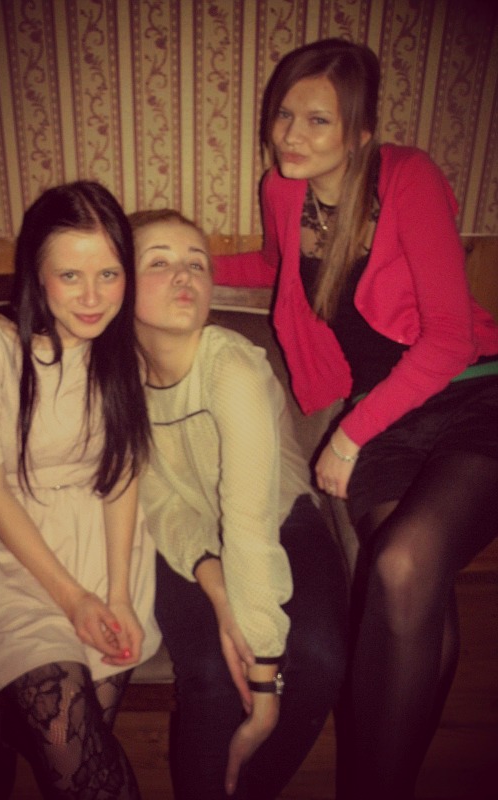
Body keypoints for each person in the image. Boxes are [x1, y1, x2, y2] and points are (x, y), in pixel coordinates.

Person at [213, 38, 498, 799]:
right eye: (284, 115)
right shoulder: (284, 192)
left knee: (403, 564)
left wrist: (347, 435)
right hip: (385, 421)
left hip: (472, 396)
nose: (292, 135)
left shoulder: (408, 178)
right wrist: (184, 266)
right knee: (416, 598)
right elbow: (278, 267)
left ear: (361, 131)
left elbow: (450, 339)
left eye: (318, 120)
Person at [0, 180, 161, 800]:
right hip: (18, 551)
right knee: (77, 759)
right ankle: (13, 720)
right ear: (36, 275)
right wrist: (74, 600)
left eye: (109, 274)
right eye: (70, 276)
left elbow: (122, 474)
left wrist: (117, 595)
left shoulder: (123, 351)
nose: (93, 298)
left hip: (107, 549)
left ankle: (9, 726)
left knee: (82, 740)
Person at [130, 208, 348, 799]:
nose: (185, 275)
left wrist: (265, 688)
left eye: (197, 263)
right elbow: (154, 500)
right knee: (209, 674)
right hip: (185, 536)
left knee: (320, 657)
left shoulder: (232, 367)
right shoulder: (113, 379)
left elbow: (249, 525)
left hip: (279, 518)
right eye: (159, 262)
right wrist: (218, 588)